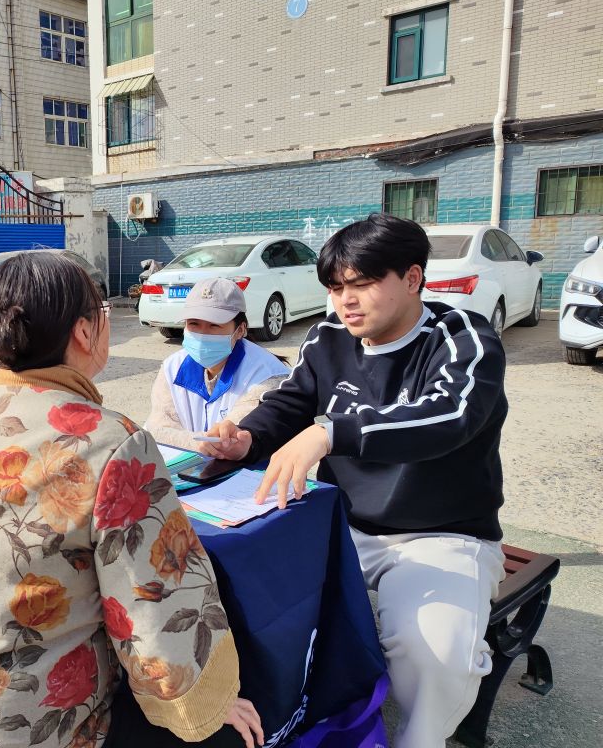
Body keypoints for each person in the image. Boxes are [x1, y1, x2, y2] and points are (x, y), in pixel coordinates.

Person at [0, 252, 264, 748]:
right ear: (84, 332)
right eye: (102, 313)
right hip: (9, 725)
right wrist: (206, 700)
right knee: (227, 731)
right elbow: (156, 600)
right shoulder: (113, 440)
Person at [201, 213, 508, 748]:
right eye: (336, 287)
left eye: (362, 284)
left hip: (441, 534)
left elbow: (452, 415)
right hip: (335, 523)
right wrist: (246, 438)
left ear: (412, 278)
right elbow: (291, 401)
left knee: (435, 652)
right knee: (245, 595)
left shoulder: (462, 337)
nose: (346, 301)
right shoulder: (328, 339)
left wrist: (331, 432)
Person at [144, 278, 288, 450]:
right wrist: (199, 443)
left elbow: (233, 439)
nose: (202, 335)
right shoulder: (171, 368)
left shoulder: (268, 375)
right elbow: (158, 429)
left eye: (214, 325)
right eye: (194, 323)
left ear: (240, 330)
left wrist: (190, 441)